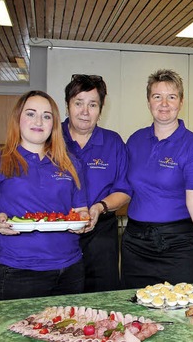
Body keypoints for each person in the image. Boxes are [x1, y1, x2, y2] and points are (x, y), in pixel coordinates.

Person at [0, 90, 90, 300]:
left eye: (46, 116)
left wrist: (83, 221)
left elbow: (80, 211)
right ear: (18, 119)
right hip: (19, 272)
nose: (39, 121)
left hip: (70, 269)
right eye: (31, 114)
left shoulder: (70, 163)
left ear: (54, 123)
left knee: (67, 332)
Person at [122, 69, 193, 288]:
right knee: (135, 311)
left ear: (181, 101)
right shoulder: (135, 141)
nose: (164, 103)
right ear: (148, 101)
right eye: (157, 96)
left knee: (180, 310)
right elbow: (123, 187)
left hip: (179, 247)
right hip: (135, 244)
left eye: (171, 97)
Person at [62, 74, 131, 292]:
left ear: (101, 110)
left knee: (102, 299)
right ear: (67, 106)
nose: (85, 111)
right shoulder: (50, 140)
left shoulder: (113, 142)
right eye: (78, 103)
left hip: (101, 233)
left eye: (93, 104)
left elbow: (124, 190)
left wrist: (99, 207)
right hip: (58, 234)